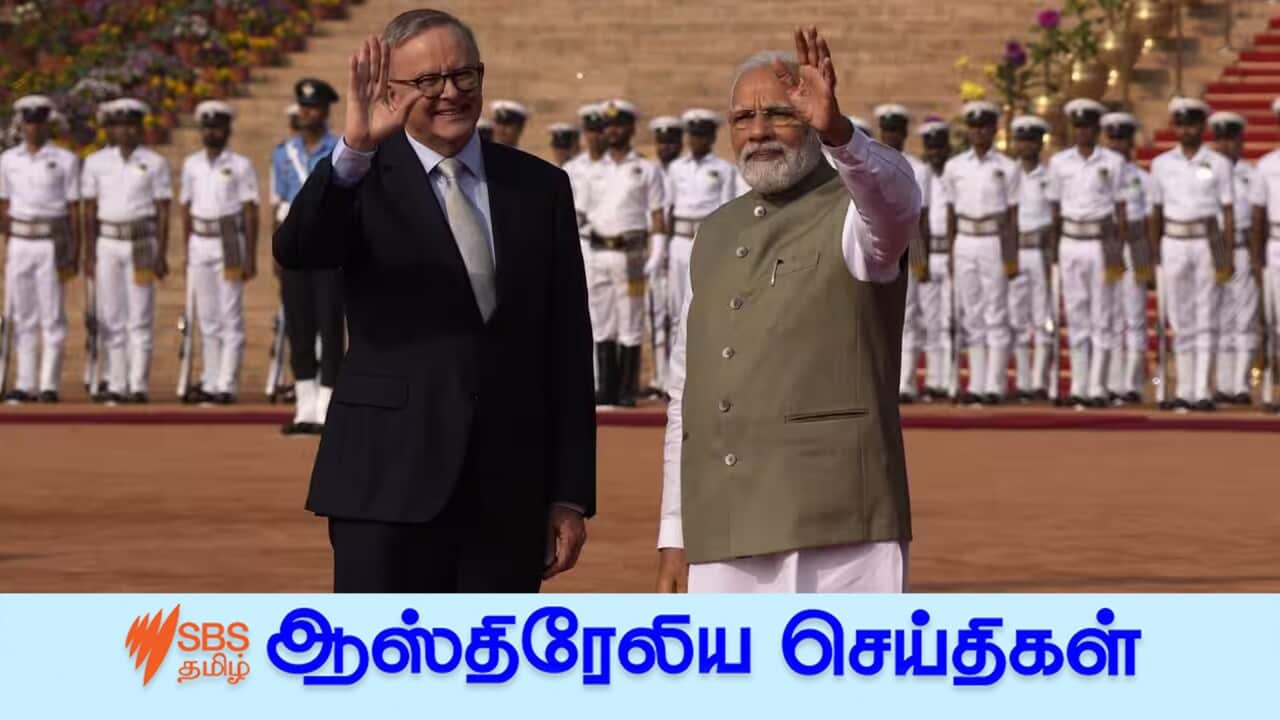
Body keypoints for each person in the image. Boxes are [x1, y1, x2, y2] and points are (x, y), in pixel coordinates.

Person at [274, 9, 594, 592]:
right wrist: (352, 151)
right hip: (385, 484)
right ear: (391, 92)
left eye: (463, 76)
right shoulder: (360, 178)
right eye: (427, 82)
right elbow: (299, 249)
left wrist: (569, 492)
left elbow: (567, 348)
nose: (449, 93)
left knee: (491, 673)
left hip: (506, 493)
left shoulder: (539, 187)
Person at [656, 29, 919, 593]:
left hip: (836, 528)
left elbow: (897, 202)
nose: (758, 132)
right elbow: (688, 390)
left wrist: (839, 134)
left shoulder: (854, 215)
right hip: (722, 524)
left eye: (779, 113)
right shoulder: (714, 231)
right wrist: (676, 530)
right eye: (742, 118)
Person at [80, 98, 172, 404]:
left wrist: (161, 251)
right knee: (111, 317)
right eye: (119, 126)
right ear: (110, 130)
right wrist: (89, 253)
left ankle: (137, 384)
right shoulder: (95, 162)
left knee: (140, 316)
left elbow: (163, 209)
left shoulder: (155, 162)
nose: (126, 131)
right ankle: (116, 382)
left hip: (142, 243)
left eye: (132, 125)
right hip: (107, 242)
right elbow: (89, 210)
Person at [1149, 97, 1234, 412]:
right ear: (1174, 127)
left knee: (1206, 315)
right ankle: (1183, 388)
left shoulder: (1219, 163)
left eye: (1193, 124)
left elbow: (1227, 212)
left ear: (1203, 127)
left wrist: (1225, 256)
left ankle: (1202, 389)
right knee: (1180, 318)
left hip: (1206, 241)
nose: (1186, 130)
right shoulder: (1161, 164)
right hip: (1173, 239)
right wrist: (1155, 253)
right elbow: (1155, 212)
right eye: (1181, 124)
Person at [581, 98, 668, 407]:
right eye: (608, 126)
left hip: (630, 253)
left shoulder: (645, 169)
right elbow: (580, 213)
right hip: (597, 250)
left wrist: (657, 253)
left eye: (619, 125)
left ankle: (626, 389)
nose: (612, 131)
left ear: (631, 129)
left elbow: (658, 214)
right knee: (601, 321)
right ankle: (606, 387)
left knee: (631, 321)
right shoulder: (593, 171)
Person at [273, 79, 345, 434]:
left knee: (330, 328)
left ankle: (328, 408)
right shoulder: (283, 153)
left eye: (314, 107)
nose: (307, 113)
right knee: (299, 328)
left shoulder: (340, 149)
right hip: (295, 249)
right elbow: (279, 206)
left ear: (326, 111)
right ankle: (305, 407)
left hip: (329, 248)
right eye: (303, 107)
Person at [1047, 98, 1129, 409]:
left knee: (1103, 315)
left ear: (1098, 130)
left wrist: (1118, 250)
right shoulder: (1059, 163)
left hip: (1101, 241)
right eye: (1078, 127)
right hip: (1070, 241)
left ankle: (1099, 385)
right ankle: (1079, 383)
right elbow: (1054, 210)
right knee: (1077, 314)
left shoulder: (1113, 162)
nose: (1083, 132)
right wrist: (1054, 252)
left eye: (1089, 127)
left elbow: (1120, 210)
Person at [0, 95, 80, 403]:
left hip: (51, 241)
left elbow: (73, 208)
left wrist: (74, 249)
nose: (33, 128)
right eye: (28, 123)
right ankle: (25, 382)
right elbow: (4, 204)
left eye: (39, 122)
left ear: (48, 124)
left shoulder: (65, 160)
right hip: (20, 240)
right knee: (22, 314)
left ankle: (49, 383)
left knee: (52, 314)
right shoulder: (8, 160)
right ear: (21, 125)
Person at [179, 100, 260, 405]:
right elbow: (185, 208)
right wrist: (186, 249)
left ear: (228, 131)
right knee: (207, 317)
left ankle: (228, 381)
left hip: (229, 241)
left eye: (218, 127)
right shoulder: (191, 165)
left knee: (230, 316)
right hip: (200, 240)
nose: (213, 132)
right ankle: (211, 379)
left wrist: (250, 255)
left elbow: (251, 211)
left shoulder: (240, 165)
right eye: (208, 127)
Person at [944, 100, 1019, 405]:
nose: (979, 133)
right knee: (971, 313)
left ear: (994, 130)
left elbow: (1013, 216)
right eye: (974, 127)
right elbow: (950, 212)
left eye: (985, 127)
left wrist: (1011, 255)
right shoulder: (955, 166)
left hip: (993, 239)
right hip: (964, 238)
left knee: (996, 311)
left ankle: (995, 383)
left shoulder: (1007, 167)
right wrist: (951, 250)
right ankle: (975, 382)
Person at [665, 108, 741, 379]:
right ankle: (671, 377)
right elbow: (666, 209)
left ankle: (705, 372)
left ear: (710, 138)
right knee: (675, 312)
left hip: (707, 241)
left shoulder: (723, 170)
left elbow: (728, 210)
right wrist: (661, 250)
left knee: (707, 308)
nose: (696, 140)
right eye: (692, 135)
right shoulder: (675, 169)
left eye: (702, 135)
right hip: (678, 241)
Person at [873, 103, 930, 402]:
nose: (892, 136)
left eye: (897, 131)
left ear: (905, 133)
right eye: (887, 130)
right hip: (872, 248)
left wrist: (920, 260)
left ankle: (904, 382)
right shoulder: (867, 161)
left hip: (907, 247)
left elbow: (922, 218)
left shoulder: (919, 169)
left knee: (907, 318)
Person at [1102, 111, 1154, 405]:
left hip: (1135, 244)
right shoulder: (1099, 174)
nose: (1117, 145)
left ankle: (1132, 382)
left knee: (1133, 315)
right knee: (1108, 314)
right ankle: (1109, 380)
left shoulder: (1143, 179)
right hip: (1106, 242)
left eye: (1123, 138)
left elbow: (1150, 219)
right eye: (1112, 138)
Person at [1209, 111, 1258, 406]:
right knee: (1220, 318)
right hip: (1212, 249)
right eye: (1221, 139)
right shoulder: (1206, 172)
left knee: (1245, 318)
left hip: (1241, 248)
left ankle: (1241, 383)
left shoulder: (1252, 175)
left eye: (1232, 139)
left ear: (1241, 141)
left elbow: (1257, 217)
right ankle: (1223, 384)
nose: (1226, 145)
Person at [1009, 115, 1054, 402]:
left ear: (1040, 144)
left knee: (1043, 318)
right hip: (1015, 250)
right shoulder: (1006, 173)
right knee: (1017, 319)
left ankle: (1041, 380)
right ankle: (1023, 381)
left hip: (1040, 251)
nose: (1027, 146)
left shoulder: (1050, 176)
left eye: (1032, 141)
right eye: (1022, 140)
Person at [917, 118, 953, 400]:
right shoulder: (919, 174)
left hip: (953, 254)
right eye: (930, 147)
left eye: (939, 146)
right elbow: (917, 222)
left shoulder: (954, 173)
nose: (935, 152)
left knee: (950, 319)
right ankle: (932, 379)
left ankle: (949, 379)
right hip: (928, 255)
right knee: (929, 320)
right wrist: (920, 260)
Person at [647, 114, 682, 395]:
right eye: (661, 142)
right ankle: (658, 377)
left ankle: (674, 378)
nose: (666, 146)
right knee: (655, 315)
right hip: (649, 251)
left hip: (678, 247)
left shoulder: (680, 171)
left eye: (671, 141)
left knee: (677, 314)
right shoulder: (649, 170)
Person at [1253, 100, 1280, 413]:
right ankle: (1273, 392)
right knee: (1274, 322)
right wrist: (1257, 259)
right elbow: (1258, 215)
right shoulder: (1266, 165)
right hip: (1275, 243)